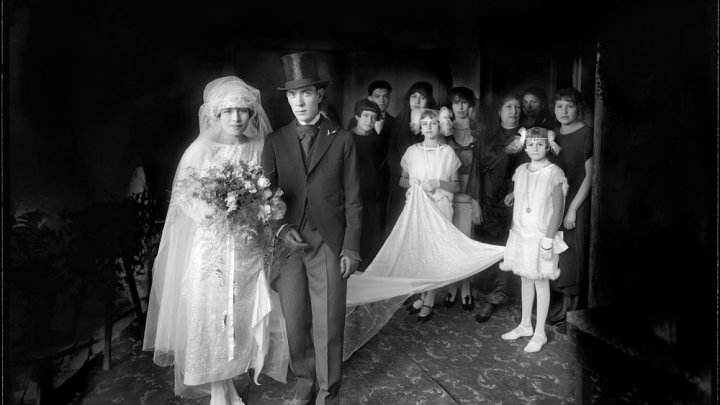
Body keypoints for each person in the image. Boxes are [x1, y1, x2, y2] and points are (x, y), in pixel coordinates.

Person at [143, 76, 289, 405]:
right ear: (215, 115)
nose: (236, 118)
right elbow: (184, 197)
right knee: (211, 316)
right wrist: (217, 211)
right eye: (228, 112)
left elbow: (267, 187)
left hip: (247, 248)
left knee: (237, 316)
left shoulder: (258, 145)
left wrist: (261, 207)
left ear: (252, 114)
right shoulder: (200, 149)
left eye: (242, 111)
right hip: (213, 247)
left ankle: (230, 382)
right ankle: (219, 390)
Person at [262, 52, 362, 405]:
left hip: (328, 243)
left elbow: (353, 200)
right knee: (295, 323)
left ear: (319, 95)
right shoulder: (274, 141)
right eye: (292, 95)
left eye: (306, 93)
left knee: (329, 324)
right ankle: (305, 385)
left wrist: (350, 247)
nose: (299, 101)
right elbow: (263, 197)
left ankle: (327, 393)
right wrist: (280, 228)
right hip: (289, 246)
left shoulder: (343, 139)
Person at [498, 127, 568, 353]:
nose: (534, 148)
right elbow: (522, 195)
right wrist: (512, 195)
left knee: (540, 281)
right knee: (525, 279)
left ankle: (540, 333)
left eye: (540, 144)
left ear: (548, 146)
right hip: (521, 233)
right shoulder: (520, 170)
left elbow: (557, 210)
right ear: (524, 146)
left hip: (541, 236)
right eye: (530, 144)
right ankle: (525, 325)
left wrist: (548, 240)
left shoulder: (554, 172)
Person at [467, 91, 526, 323]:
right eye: (509, 106)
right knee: (488, 249)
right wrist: (475, 202)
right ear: (500, 111)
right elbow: (476, 172)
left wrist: (517, 191)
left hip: (515, 202)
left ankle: (512, 300)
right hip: (488, 199)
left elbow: (532, 170)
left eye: (517, 107)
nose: (514, 111)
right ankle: (487, 298)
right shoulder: (487, 136)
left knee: (513, 251)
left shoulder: (527, 137)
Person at [400, 107, 461, 321]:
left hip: (440, 206)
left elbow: (455, 186)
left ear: (441, 126)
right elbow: (402, 179)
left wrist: (438, 183)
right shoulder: (412, 151)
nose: (428, 127)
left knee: (434, 252)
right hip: (417, 206)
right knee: (420, 252)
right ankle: (423, 293)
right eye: (424, 123)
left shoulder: (448, 153)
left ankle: (429, 299)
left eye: (433, 123)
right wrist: (412, 182)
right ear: (419, 127)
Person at [548, 87, 593, 324]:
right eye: (559, 106)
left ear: (578, 109)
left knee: (572, 254)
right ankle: (557, 305)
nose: (564, 111)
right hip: (557, 200)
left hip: (577, 200)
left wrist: (574, 208)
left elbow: (589, 176)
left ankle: (570, 310)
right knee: (556, 253)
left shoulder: (587, 133)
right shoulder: (552, 135)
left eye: (570, 105)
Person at [444, 87, 481, 312]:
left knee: (467, 243)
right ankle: (450, 287)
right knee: (449, 243)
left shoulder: (479, 131)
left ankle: (466, 287)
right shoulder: (444, 131)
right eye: (456, 102)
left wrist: (477, 200)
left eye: (464, 102)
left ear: (470, 105)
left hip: (471, 193)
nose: (460, 106)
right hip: (449, 194)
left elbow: (481, 167)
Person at [386, 81, 437, 234]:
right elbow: (391, 155)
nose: (417, 101)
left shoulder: (434, 125)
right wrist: (407, 179)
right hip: (402, 185)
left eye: (422, 97)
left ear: (428, 101)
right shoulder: (396, 123)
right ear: (408, 100)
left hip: (428, 187)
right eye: (413, 96)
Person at [350, 99, 386, 270]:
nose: (369, 121)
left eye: (373, 117)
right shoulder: (346, 138)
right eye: (365, 116)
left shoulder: (379, 141)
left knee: (371, 240)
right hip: (351, 198)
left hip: (373, 200)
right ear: (357, 116)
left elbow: (383, 171)